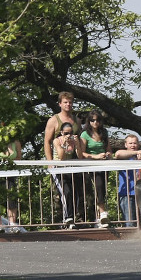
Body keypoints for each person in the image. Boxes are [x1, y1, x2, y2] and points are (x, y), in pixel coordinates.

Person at [45, 92, 84, 224]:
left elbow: (80, 141)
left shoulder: (77, 121)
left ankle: (75, 220)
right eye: (65, 102)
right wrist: (50, 162)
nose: (68, 104)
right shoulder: (54, 120)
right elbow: (47, 142)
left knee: (77, 193)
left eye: (70, 102)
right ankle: (62, 221)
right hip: (59, 163)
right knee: (62, 193)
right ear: (60, 104)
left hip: (74, 163)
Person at [80, 110, 112, 227]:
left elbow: (109, 149)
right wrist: (95, 156)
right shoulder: (85, 134)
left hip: (104, 165)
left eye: (97, 120)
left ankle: (99, 219)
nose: (95, 122)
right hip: (91, 165)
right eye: (92, 120)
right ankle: (102, 213)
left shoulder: (104, 132)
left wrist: (107, 154)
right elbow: (82, 153)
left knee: (102, 189)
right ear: (88, 121)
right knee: (98, 186)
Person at [51, 121, 85, 227]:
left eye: (70, 133)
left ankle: (72, 218)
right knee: (66, 192)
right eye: (66, 133)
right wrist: (65, 144)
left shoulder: (74, 141)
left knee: (75, 194)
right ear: (62, 133)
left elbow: (80, 156)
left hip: (70, 170)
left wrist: (77, 144)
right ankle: (67, 218)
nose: (69, 135)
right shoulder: (57, 141)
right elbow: (61, 157)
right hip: (58, 170)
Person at [0, 128, 22, 232]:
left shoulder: (15, 142)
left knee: (12, 196)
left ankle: (12, 224)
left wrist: (9, 157)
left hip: (10, 171)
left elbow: (19, 157)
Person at [116, 134, 141, 225]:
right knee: (130, 222)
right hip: (127, 194)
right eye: (130, 143)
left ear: (138, 144)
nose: (133, 145)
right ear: (125, 145)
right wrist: (137, 152)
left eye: (135, 143)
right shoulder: (123, 155)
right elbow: (118, 154)